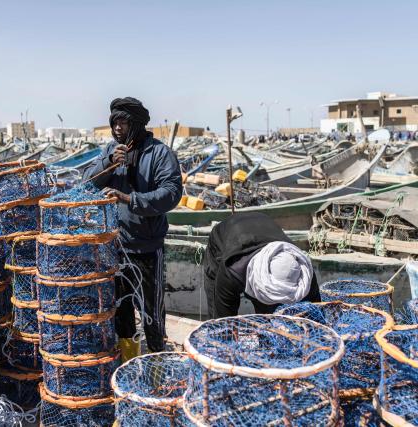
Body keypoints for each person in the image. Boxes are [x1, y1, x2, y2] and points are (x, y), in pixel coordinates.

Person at [84, 97, 182, 362]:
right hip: (115, 250)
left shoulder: (159, 153)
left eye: (123, 122)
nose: (117, 128)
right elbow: (86, 184)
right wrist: (108, 165)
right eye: (114, 122)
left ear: (136, 124)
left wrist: (130, 199)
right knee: (122, 313)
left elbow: (172, 193)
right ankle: (129, 364)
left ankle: (157, 367)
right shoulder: (110, 152)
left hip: (147, 248)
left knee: (152, 313)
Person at [203, 212, 320, 319]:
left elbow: (315, 312)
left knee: (269, 314)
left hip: (263, 225)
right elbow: (223, 318)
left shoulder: (304, 271)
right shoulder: (232, 271)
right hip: (227, 235)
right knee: (216, 318)